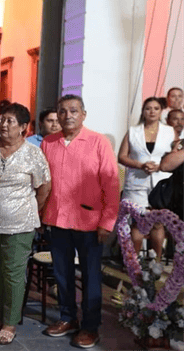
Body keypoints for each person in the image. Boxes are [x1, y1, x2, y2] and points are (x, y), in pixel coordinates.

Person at [41, 95, 119, 348]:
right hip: (57, 219)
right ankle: (67, 317)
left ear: (83, 114)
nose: (68, 115)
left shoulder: (98, 142)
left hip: (90, 222)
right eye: (62, 111)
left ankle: (90, 326)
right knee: (62, 274)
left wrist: (107, 222)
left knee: (90, 277)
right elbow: (42, 182)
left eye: (74, 110)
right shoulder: (48, 142)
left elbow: (111, 184)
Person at [0, 103, 51, 345]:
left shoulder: (33, 154)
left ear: (24, 128)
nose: (3, 125)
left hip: (20, 225)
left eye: (10, 121)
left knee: (14, 273)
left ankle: (10, 322)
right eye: (1, 120)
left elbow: (44, 188)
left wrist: (29, 211)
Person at [118, 97, 176, 260]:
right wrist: (140, 165)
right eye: (148, 108)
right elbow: (122, 157)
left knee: (158, 223)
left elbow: (174, 156)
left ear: (160, 112)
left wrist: (160, 166)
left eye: (156, 108)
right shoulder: (133, 131)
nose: (152, 111)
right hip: (137, 181)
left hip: (160, 182)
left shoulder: (169, 131)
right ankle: (133, 263)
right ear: (143, 111)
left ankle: (156, 264)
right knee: (138, 223)